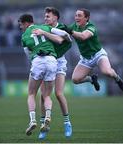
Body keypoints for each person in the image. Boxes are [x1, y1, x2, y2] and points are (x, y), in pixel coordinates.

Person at [18, 14, 66, 136]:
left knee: (31, 93)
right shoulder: (45, 27)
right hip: (51, 60)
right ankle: (48, 117)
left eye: (21, 24)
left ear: (26, 23)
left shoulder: (24, 37)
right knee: (47, 95)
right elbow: (64, 35)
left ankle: (33, 120)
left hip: (38, 60)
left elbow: (28, 55)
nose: (20, 27)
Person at [64, 8, 123, 92]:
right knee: (75, 80)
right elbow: (62, 35)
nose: (76, 18)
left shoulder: (91, 27)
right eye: (76, 15)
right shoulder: (73, 26)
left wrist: (70, 32)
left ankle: (117, 79)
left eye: (79, 16)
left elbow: (83, 36)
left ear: (86, 18)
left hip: (98, 55)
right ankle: (92, 80)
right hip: (86, 58)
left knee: (107, 72)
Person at [38, 7, 73, 140]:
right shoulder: (43, 27)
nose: (45, 18)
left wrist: (44, 32)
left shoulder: (62, 28)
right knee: (43, 95)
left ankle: (67, 123)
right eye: (45, 16)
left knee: (58, 94)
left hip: (58, 63)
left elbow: (60, 40)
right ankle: (44, 126)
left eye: (48, 16)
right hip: (46, 63)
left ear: (55, 18)